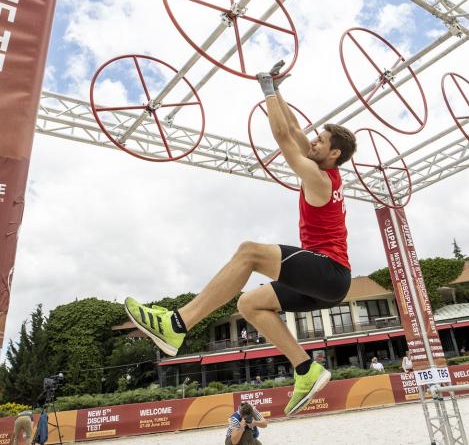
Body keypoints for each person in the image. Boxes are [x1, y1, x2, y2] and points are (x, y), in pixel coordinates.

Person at [124, 61, 357, 417]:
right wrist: (274, 87)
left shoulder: (319, 178)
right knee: (249, 304)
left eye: (320, 140)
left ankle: (177, 324)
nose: (313, 140)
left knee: (249, 253)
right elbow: (293, 128)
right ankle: (306, 369)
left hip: (330, 271)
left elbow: (283, 139)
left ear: (334, 153)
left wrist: (266, 91)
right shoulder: (322, 167)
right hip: (325, 280)